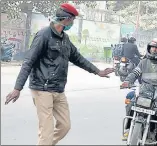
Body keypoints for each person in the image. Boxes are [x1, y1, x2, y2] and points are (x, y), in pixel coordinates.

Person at [4, 3, 114, 145]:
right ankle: (46, 141)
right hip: (42, 89)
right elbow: (28, 61)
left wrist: (98, 71)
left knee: (65, 126)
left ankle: (46, 143)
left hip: (58, 90)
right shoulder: (43, 35)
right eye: (73, 20)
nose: (73, 23)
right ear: (66, 19)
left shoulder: (65, 39)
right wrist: (17, 88)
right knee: (47, 130)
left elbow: (78, 58)